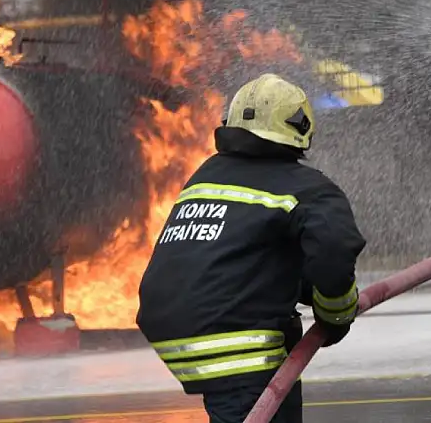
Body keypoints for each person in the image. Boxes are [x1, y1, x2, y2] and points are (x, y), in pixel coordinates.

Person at [136, 73, 367, 423]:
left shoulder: (206, 175)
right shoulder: (307, 188)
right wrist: (335, 317)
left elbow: (245, 261)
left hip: (177, 333)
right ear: (301, 127)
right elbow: (333, 257)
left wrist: (306, 290)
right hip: (239, 343)